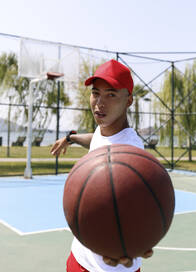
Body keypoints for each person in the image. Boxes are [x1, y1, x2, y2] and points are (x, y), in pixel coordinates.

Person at [51, 59, 153, 272]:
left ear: (129, 101)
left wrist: (135, 239)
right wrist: (71, 139)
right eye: (96, 93)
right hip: (79, 257)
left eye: (111, 95)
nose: (99, 102)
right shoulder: (106, 129)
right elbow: (97, 138)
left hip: (109, 266)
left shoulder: (130, 152)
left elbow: (138, 206)